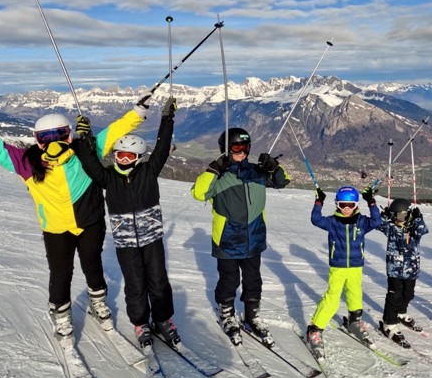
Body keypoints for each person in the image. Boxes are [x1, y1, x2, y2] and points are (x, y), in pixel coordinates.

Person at [0, 92, 149, 346]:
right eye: (45, 138)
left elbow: (116, 130)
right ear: (37, 141)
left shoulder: (86, 152)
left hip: (89, 224)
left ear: (69, 135)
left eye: (58, 135)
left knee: (92, 265)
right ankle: (60, 314)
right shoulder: (27, 163)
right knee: (61, 273)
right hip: (56, 229)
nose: (53, 142)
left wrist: (139, 111)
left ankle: (98, 302)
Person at [74, 98, 179, 349]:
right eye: (120, 154)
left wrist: (167, 119)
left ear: (138, 157)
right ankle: (141, 322)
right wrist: (82, 138)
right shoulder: (108, 178)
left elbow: (162, 148)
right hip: (125, 242)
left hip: (151, 238)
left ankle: (163, 319)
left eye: (129, 155)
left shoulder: (148, 172)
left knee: (158, 280)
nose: (123, 158)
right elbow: (89, 163)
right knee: (135, 284)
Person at [190, 128, 290, 346]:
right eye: (236, 148)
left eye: (245, 147)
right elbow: (198, 193)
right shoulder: (220, 177)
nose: (241, 152)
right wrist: (213, 169)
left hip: (253, 237)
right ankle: (227, 314)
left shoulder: (257, 173)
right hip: (227, 238)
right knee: (229, 279)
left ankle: (252, 314)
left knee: (253, 279)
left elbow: (282, 182)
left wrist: (274, 168)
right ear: (226, 150)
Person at [305, 186, 382, 359]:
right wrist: (318, 202)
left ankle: (354, 321)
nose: (346, 209)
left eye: (350, 205)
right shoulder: (332, 222)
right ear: (337, 205)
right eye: (342, 205)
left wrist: (372, 202)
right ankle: (315, 329)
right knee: (332, 298)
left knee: (355, 293)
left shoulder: (362, 221)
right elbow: (316, 220)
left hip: (356, 265)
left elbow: (377, 221)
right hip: (338, 266)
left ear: (356, 205)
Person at [376, 198, 429, 348]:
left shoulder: (414, 229)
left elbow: (423, 230)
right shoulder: (391, 228)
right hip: (394, 270)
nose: (401, 220)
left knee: (408, 294)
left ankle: (400, 312)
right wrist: (385, 215)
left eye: (404, 215)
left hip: (411, 269)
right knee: (394, 295)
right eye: (398, 216)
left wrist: (418, 218)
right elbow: (377, 223)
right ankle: (389, 323)